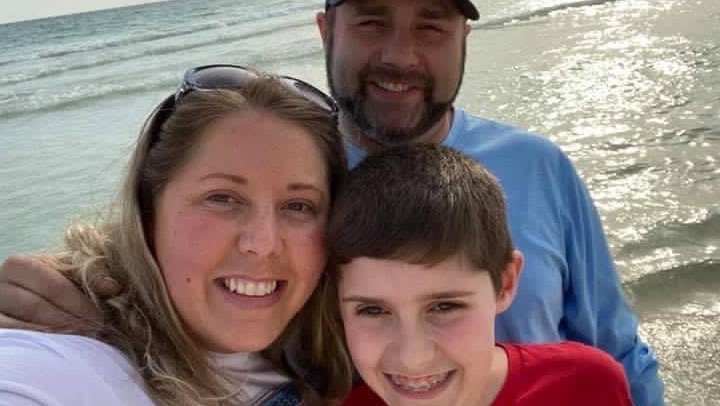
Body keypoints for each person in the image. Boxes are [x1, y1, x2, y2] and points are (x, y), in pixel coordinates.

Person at [0, 0, 664, 404]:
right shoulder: (294, 168)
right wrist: (79, 284)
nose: (400, 54)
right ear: (326, 31)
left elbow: (616, 346)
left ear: (464, 38)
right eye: (372, 20)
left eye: (431, 26)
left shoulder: (539, 165)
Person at [0, 65, 353, 405]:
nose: (263, 244)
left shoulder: (330, 345)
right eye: (222, 198)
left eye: (298, 206)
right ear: (148, 208)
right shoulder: (66, 364)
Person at [325, 143, 633, 406]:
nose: (413, 358)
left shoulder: (585, 386)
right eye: (372, 310)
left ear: (505, 284)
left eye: (444, 306)